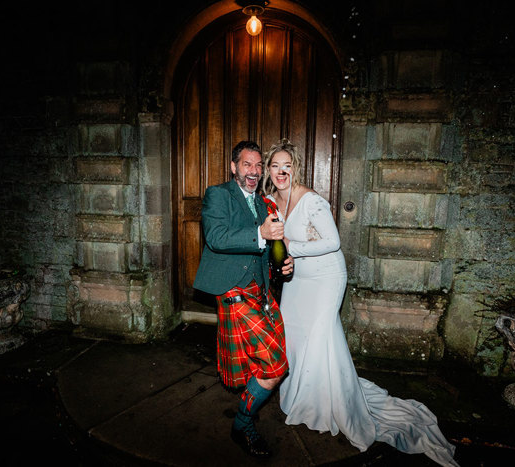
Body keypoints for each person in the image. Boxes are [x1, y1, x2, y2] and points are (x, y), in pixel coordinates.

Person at [263, 139, 459, 467]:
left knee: (320, 336)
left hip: (326, 278)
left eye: (287, 166)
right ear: (269, 170)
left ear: (295, 168)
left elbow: (332, 242)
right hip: (296, 280)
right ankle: (303, 395)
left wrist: (292, 246)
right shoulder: (269, 201)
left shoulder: (311, 201)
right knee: (295, 337)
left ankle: (332, 402)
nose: (281, 172)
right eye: (275, 166)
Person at [193, 140, 294, 459]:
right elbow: (217, 238)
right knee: (275, 366)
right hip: (232, 289)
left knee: (267, 359)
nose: (254, 171)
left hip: (259, 289)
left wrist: (284, 264)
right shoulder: (218, 195)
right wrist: (261, 234)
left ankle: (246, 412)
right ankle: (242, 424)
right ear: (234, 167)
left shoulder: (265, 203)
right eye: (247, 164)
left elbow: (270, 252)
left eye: (258, 165)